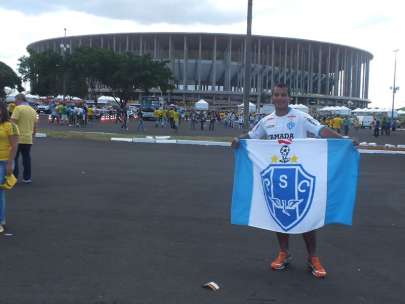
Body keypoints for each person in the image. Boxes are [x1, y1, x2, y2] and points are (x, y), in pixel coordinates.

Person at [231, 83, 349, 279]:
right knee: (280, 213)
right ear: (272, 98)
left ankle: (313, 257)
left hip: (300, 174)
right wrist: (237, 139)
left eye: (283, 95)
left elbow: (321, 130)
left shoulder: (300, 117)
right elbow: (250, 137)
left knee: (307, 215)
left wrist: (343, 139)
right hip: (277, 175)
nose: (280, 98)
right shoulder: (266, 121)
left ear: (289, 98)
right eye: (276, 94)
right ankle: (284, 252)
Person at [0, 102, 19, 233]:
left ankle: (0, 221)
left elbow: (14, 146)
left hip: (3, 162)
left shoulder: (10, 126)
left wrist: (10, 164)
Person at [11, 94, 38, 183]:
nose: (14, 102)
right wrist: (32, 135)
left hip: (17, 137)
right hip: (28, 138)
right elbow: (34, 126)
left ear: (19, 99)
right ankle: (27, 178)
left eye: (15, 100)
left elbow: (12, 123)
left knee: (14, 158)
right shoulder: (33, 110)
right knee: (26, 158)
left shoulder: (18, 108)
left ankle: (14, 178)